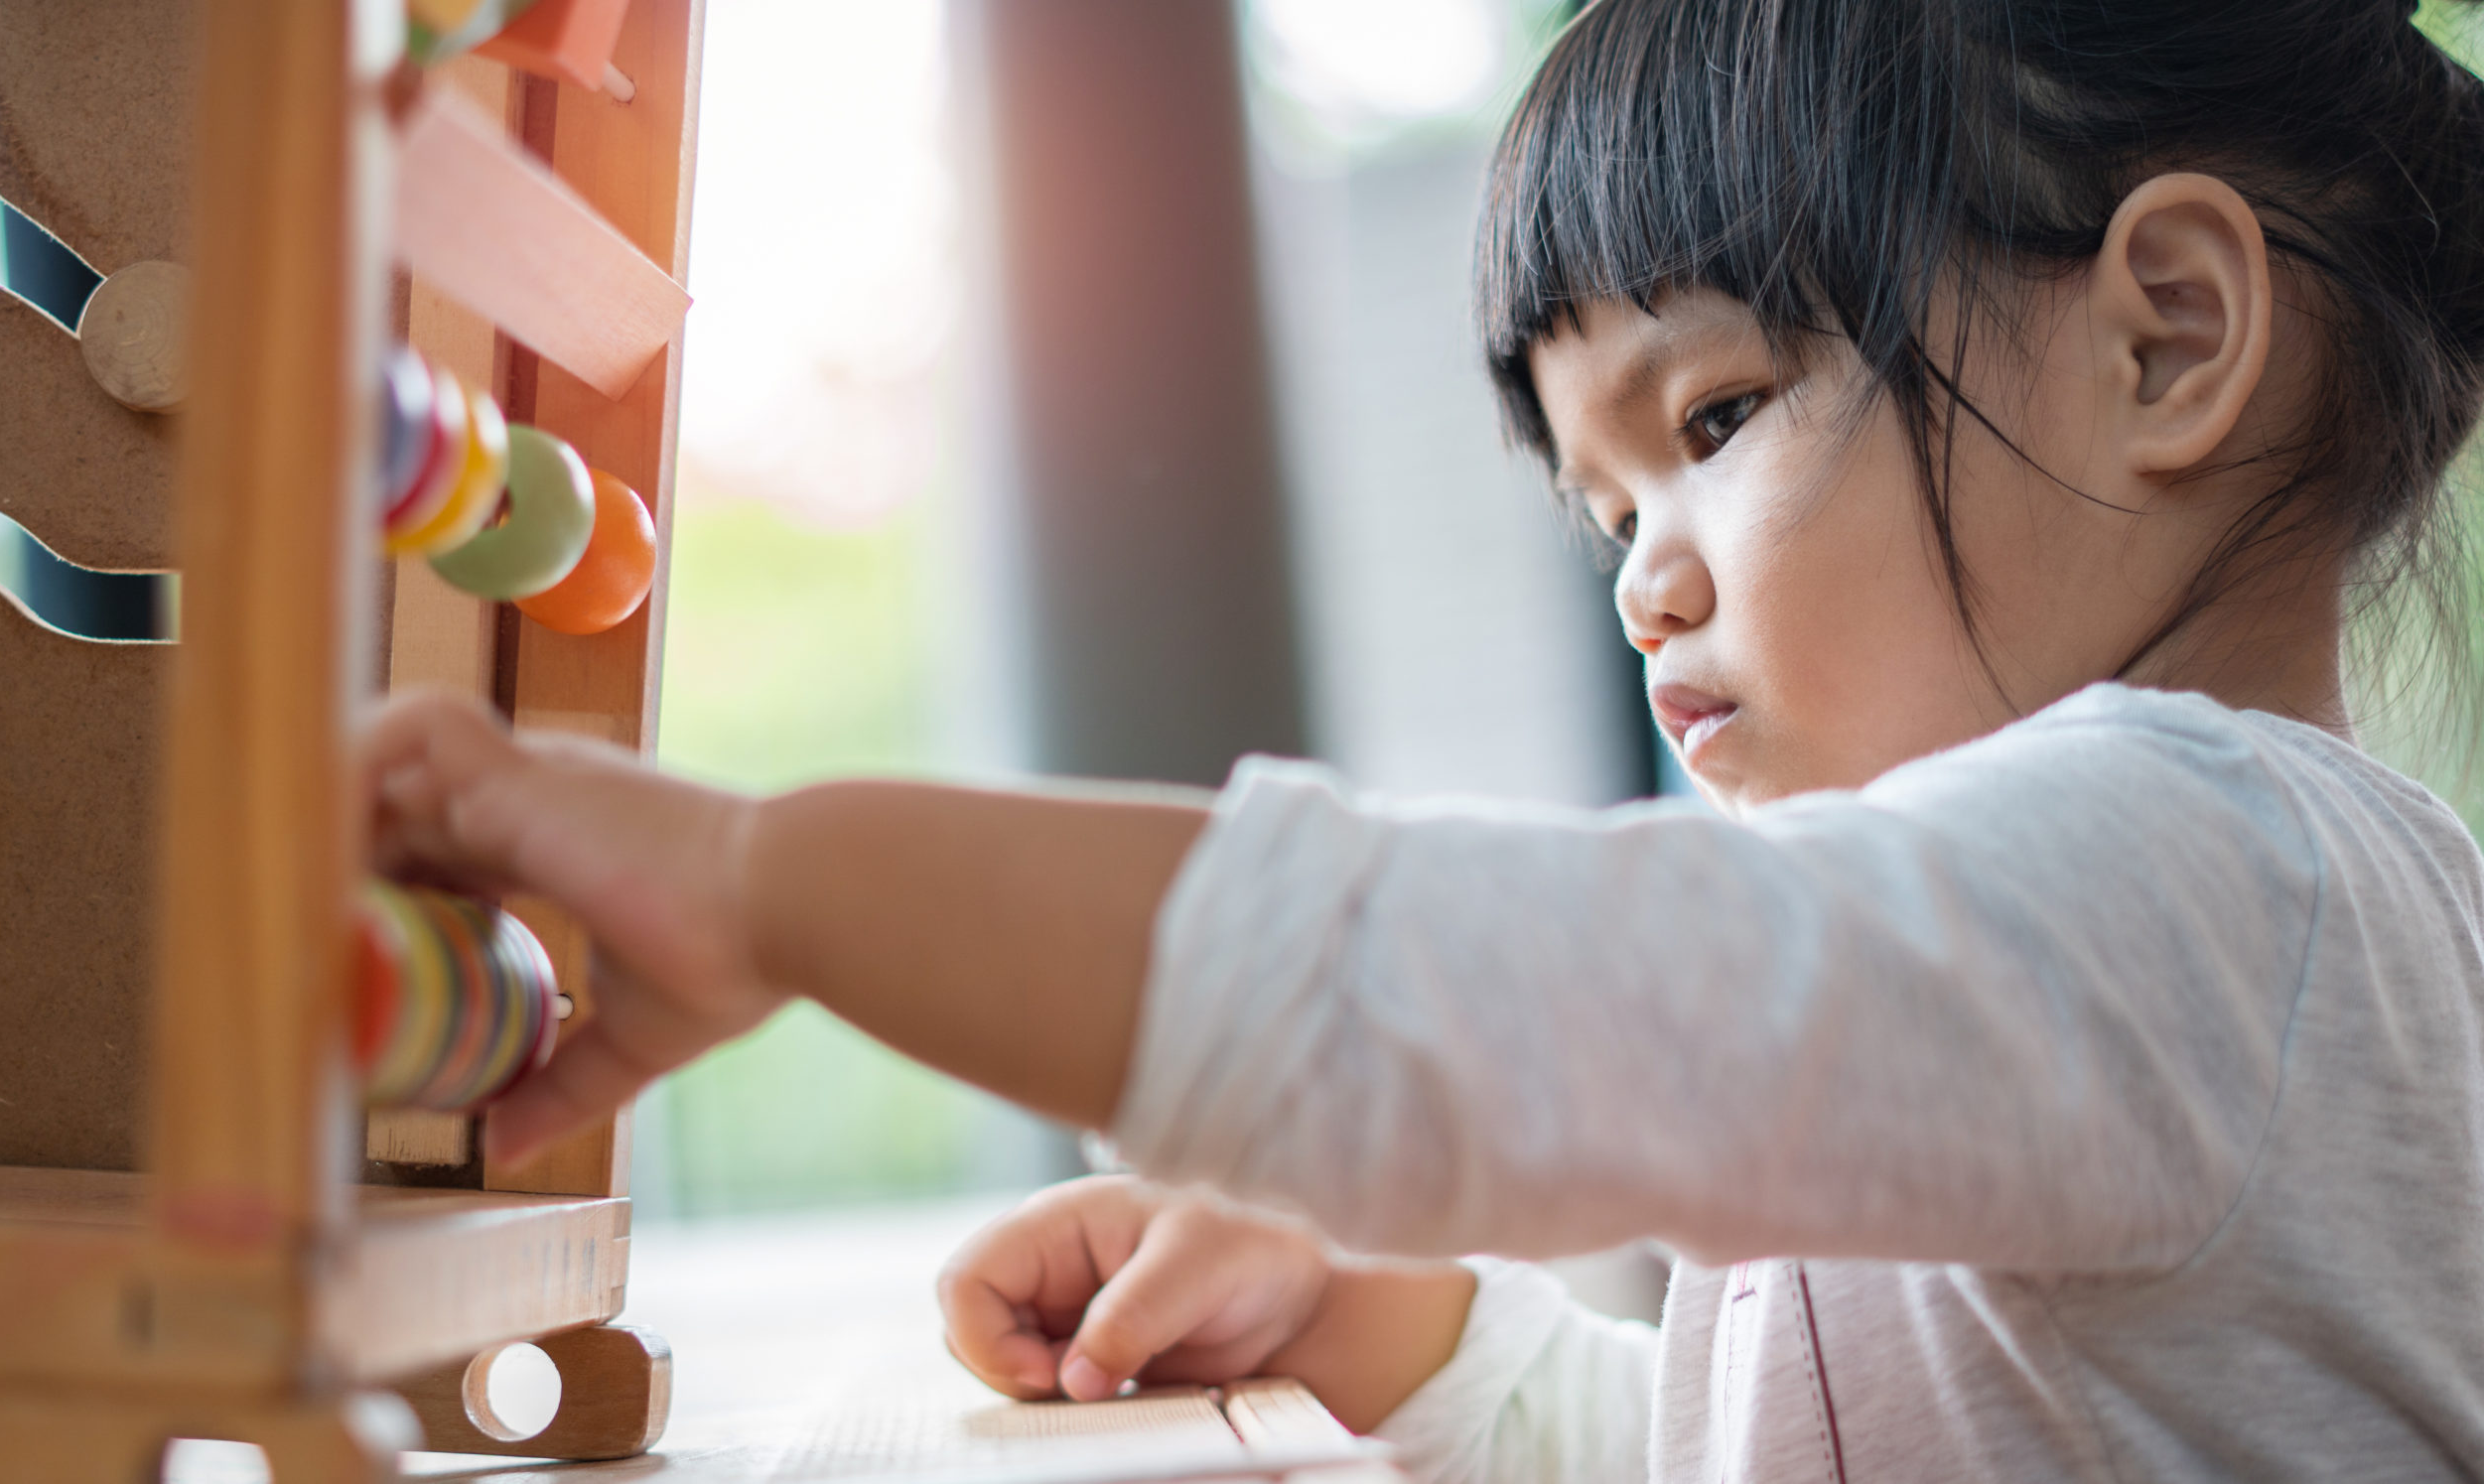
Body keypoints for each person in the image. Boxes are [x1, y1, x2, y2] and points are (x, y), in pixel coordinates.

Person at [364, 0, 2484, 1476]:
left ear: (2165, 338)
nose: (1644, 578)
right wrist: (1387, 1324)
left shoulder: (2197, 875)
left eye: (1716, 419)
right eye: (1604, 511)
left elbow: (1467, 986)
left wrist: (775, 885)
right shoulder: (2110, 965)